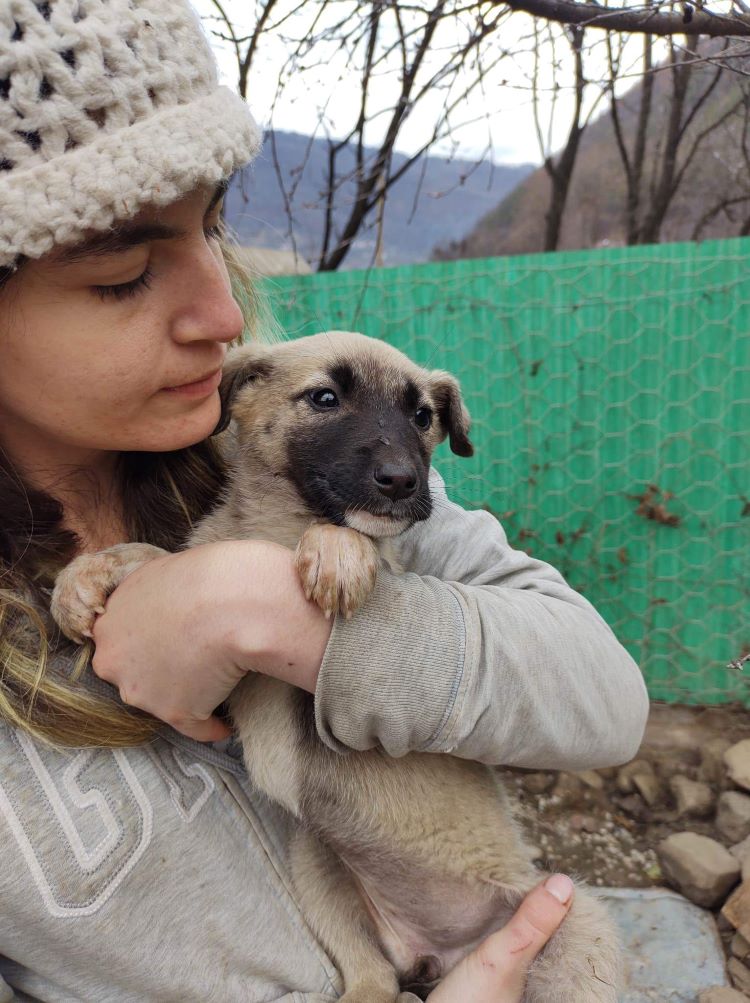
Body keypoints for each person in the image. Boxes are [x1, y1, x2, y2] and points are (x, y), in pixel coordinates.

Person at [0, 2, 648, 1000]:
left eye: (214, 222)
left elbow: (604, 698)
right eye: (126, 275)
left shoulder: (289, 462)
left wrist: (273, 610)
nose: (223, 312)